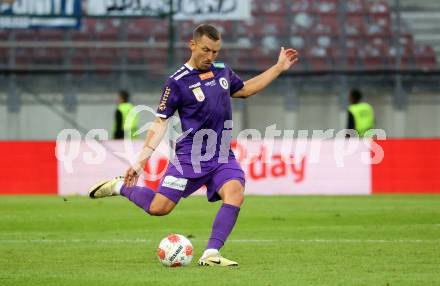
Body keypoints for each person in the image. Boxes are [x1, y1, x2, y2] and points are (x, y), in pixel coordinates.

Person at [89, 24, 298, 266]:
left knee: (235, 192)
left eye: (216, 52)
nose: (210, 57)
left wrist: (279, 67)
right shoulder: (176, 82)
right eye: (206, 50)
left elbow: (246, 90)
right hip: (189, 157)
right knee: (159, 208)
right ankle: (118, 187)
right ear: (193, 45)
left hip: (221, 155)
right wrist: (140, 163)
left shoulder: (222, 71)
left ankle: (211, 254)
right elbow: (159, 123)